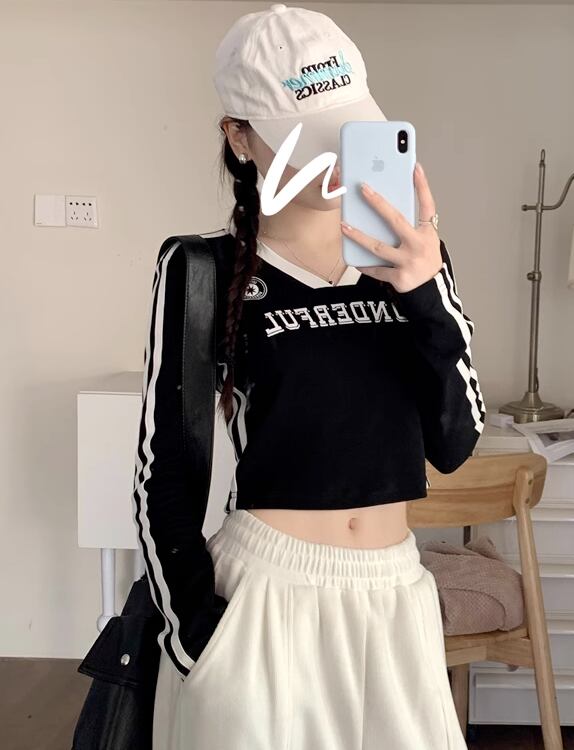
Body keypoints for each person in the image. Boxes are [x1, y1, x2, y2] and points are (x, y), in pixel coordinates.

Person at [131, 4, 486, 749]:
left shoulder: (414, 259)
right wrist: (199, 638)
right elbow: (166, 475)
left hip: (394, 601)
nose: (332, 159)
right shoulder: (203, 270)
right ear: (239, 136)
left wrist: (426, 292)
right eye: (305, 137)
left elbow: (455, 445)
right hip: (263, 606)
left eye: (342, 133)